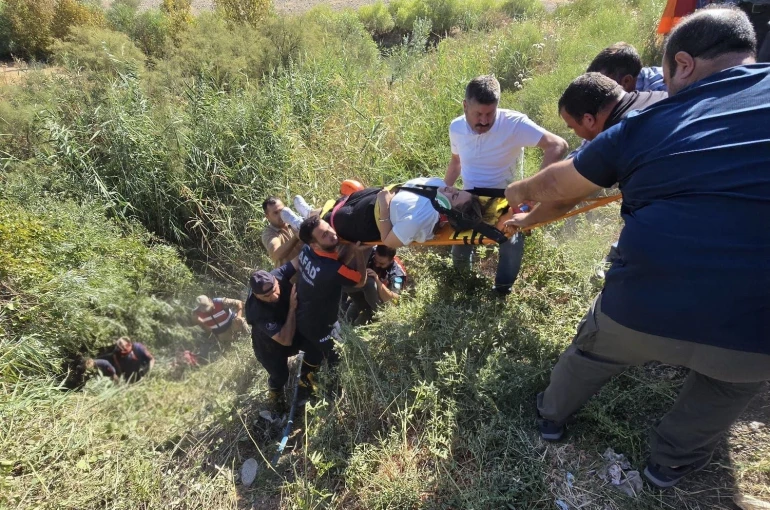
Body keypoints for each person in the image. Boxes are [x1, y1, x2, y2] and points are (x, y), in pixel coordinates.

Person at [505, 6, 770, 489]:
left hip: (644, 302)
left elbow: (563, 185)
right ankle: (667, 465)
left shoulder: (645, 123)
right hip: (755, 327)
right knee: (727, 387)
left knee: (594, 352)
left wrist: (518, 194)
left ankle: (550, 417)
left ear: (684, 63)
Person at [446, 75, 568, 296]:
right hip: (470, 198)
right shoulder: (456, 127)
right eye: (478, 114)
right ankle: (463, 291)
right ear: (465, 106)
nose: (483, 120)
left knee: (511, 243)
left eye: (489, 114)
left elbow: (557, 146)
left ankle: (501, 293)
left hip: (507, 196)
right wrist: (443, 194)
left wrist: (533, 193)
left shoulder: (514, 123)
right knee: (460, 247)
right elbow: (456, 162)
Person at [508, 72, 667, 230]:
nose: (576, 134)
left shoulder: (616, 136)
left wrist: (520, 193)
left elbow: (562, 192)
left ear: (589, 120)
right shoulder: (661, 96)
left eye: (573, 128)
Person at [285, 178, 486, 249]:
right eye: (457, 191)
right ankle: (310, 212)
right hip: (378, 196)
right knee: (337, 204)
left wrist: (384, 207)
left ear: (449, 213)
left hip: (368, 221)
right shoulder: (439, 187)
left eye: (453, 197)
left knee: (332, 220)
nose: (451, 190)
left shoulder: (421, 219)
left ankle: (299, 224)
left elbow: (388, 240)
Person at [295, 216, 367, 374]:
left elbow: (337, 265)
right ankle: (330, 383)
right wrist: (359, 253)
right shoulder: (330, 270)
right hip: (318, 325)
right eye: (324, 235)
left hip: (303, 311)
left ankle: (308, 368)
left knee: (315, 351)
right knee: (336, 354)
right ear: (315, 244)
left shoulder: (307, 250)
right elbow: (360, 281)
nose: (332, 234)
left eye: (328, 228)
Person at [245, 262, 318, 413]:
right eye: (267, 296)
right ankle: (276, 396)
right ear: (257, 295)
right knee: (280, 375)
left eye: (274, 289)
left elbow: (299, 258)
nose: (274, 296)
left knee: (315, 345)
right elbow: (286, 340)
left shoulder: (277, 275)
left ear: (275, 280)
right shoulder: (257, 312)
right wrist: (292, 307)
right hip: (270, 347)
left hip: (290, 327)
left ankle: (305, 377)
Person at [344, 245, 407, 325]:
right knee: (347, 322)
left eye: (381, 263)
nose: (377, 265)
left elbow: (393, 301)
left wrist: (377, 280)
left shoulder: (397, 274)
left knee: (360, 324)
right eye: (375, 261)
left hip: (380, 304)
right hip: (360, 296)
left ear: (391, 260)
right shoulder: (371, 252)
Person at [587, 42, 668, 93]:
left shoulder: (661, 94)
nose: (597, 92)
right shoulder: (632, 77)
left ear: (626, 81)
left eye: (602, 86)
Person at [261, 196, 303, 267]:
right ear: (267, 217)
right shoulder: (269, 234)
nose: (280, 215)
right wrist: (296, 237)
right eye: (276, 213)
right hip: (294, 276)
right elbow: (276, 254)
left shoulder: (295, 221)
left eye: (281, 210)